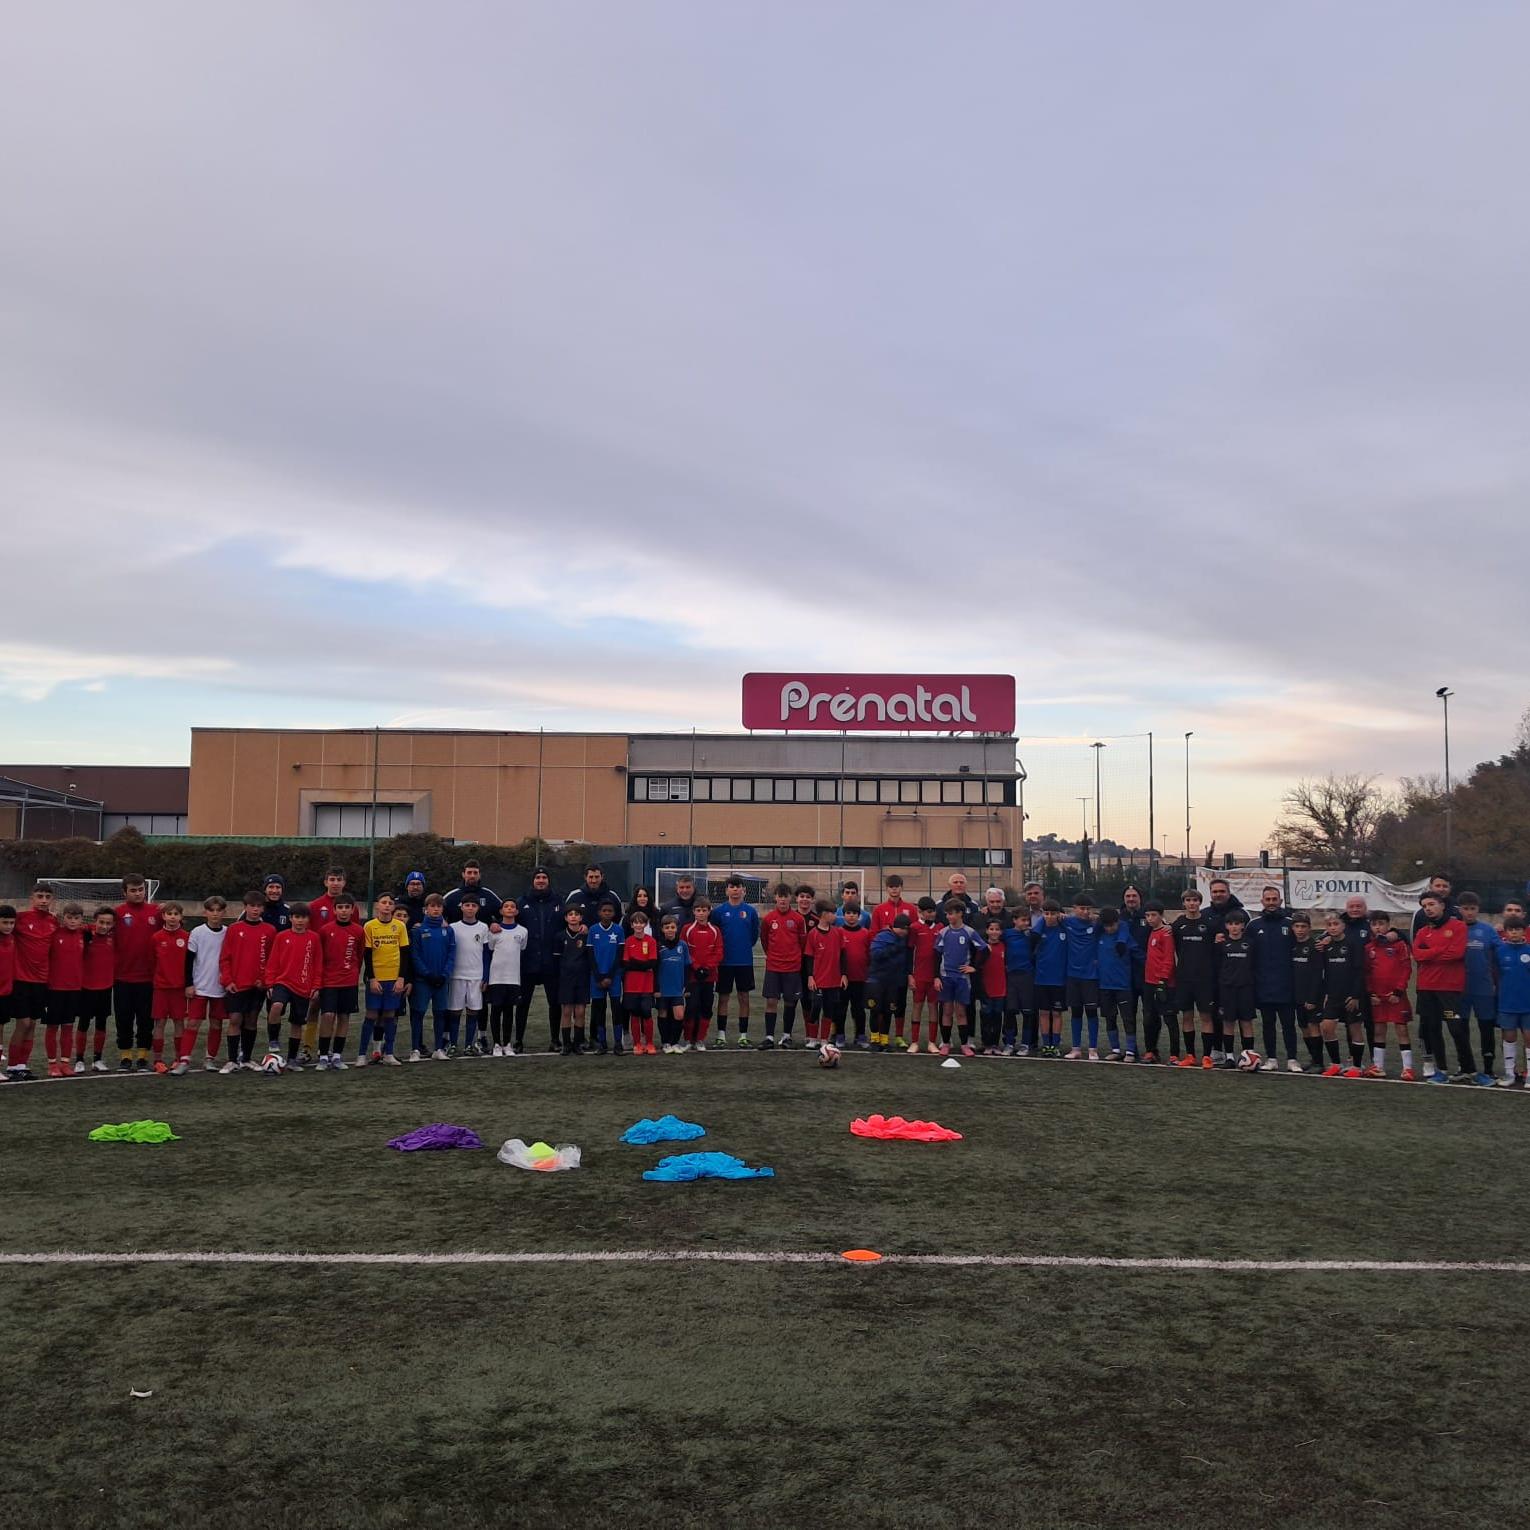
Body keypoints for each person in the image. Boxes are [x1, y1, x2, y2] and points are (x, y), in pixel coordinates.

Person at [1413, 892, 1481, 1084]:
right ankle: (1441, 1070)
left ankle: (1470, 1070)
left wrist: (1430, 953)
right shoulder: (1422, 932)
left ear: (1442, 905)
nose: (1428, 908)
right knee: (1432, 1029)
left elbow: (1457, 953)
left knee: (1456, 1028)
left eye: (1432, 904)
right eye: (1424, 905)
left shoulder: (1458, 926)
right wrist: (1441, 951)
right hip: (1426, 989)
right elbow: (1417, 955)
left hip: (1449, 990)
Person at [218, 893, 277, 1072]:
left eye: (259, 906)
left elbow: (272, 960)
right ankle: (232, 1060)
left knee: (251, 1021)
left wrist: (266, 981)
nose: (255, 909)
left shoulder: (269, 930)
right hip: (237, 984)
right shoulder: (234, 929)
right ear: (245, 907)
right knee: (235, 1019)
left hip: (257, 986)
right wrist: (227, 980)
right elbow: (225, 958)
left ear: (263, 908)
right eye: (252, 906)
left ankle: (247, 1059)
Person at [109, 875, 160, 1079]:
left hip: (148, 978)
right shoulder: (118, 913)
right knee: (123, 1019)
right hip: (122, 977)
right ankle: (125, 1057)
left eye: (140, 889)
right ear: (124, 892)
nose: (138, 893)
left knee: (146, 1021)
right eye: (133, 890)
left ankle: (142, 1057)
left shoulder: (156, 912)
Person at [263, 903, 320, 1071]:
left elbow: (318, 964)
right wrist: (270, 983)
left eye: (303, 917)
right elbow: (272, 962)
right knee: (276, 1006)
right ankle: (273, 1040)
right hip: (283, 982)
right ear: (291, 919)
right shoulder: (281, 937)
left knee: (297, 1024)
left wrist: (316, 986)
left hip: (303, 986)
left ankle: (292, 1059)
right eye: (296, 917)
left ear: (308, 919)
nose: (300, 921)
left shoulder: (314, 938)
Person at [7, 887, 57, 1081]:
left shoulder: (53, 921)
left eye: (47, 897)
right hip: (21, 980)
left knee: (32, 1024)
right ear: (32, 898)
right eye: (40, 896)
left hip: (41, 981)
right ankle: (11, 1066)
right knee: (23, 1023)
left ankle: (22, 1065)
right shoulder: (21, 918)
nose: (43, 900)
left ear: (52, 899)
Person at [1248, 886, 1299, 1072]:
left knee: (1288, 1025)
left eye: (1274, 899)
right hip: (1263, 985)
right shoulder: (1253, 926)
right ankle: (1271, 1059)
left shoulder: (1290, 924)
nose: (1271, 902)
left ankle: (1292, 1059)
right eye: (1267, 899)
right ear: (1262, 902)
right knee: (1268, 1025)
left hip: (1286, 985)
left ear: (1280, 901)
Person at [319, 894, 371, 1067]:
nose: (343, 911)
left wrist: (354, 971)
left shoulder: (358, 931)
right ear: (334, 910)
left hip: (349, 981)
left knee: (344, 1017)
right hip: (329, 982)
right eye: (340, 907)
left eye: (347, 907)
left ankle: (337, 1055)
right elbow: (320, 957)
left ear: (352, 909)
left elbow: (359, 954)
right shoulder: (325, 930)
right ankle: (323, 1056)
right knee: (327, 1016)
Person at [514, 868, 562, 1052]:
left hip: (551, 962)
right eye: (537, 877)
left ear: (548, 880)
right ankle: (518, 1040)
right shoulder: (522, 902)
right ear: (532, 880)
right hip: (528, 962)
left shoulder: (559, 901)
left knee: (555, 1002)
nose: (541, 880)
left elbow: (568, 924)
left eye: (544, 877)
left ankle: (555, 1039)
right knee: (522, 1003)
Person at [361, 894, 411, 1070]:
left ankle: (388, 1053)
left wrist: (401, 978)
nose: (387, 906)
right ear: (377, 906)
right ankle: (362, 1055)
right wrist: (372, 978)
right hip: (376, 979)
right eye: (383, 902)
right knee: (372, 1015)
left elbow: (404, 954)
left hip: (394, 978)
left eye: (390, 903)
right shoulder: (369, 926)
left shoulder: (399, 926)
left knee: (390, 1015)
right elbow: (367, 955)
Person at [1364, 912, 1416, 1080]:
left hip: (1396, 996)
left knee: (1401, 1029)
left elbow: (1406, 968)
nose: (1378, 927)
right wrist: (1371, 993)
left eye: (1381, 923)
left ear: (1388, 925)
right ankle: (1378, 1066)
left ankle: (1407, 1068)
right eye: (1374, 924)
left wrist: (1398, 991)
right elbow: (1366, 973)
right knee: (1378, 1030)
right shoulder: (1368, 947)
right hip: (1377, 997)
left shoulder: (1399, 945)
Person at [1316, 911, 1367, 1077]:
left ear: (1343, 926)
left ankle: (1357, 1067)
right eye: (1329, 925)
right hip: (1333, 995)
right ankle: (1336, 1064)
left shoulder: (1353, 944)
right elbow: (1324, 972)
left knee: (1355, 1029)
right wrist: (1325, 995)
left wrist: (1355, 995)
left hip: (1350, 995)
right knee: (1327, 1027)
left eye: (1336, 924)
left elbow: (1359, 972)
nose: (1333, 927)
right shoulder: (1326, 946)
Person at [1172, 890, 1217, 1070]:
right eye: (1188, 900)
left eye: (1195, 900)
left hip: (1205, 979)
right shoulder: (1178, 925)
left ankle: (1207, 1056)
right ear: (1183, 903)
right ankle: (1190, 1055)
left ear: (1200, 902)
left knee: (1206, 1017)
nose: (1192, 903)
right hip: (1184, 978)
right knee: (1187, 1016)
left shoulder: (1209, 924)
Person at [713, 876, 760, 1048]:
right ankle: (721, 1035)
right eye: (731, 887)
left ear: (744, 890)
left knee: (744, 998)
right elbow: (715, 934)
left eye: (738, 887)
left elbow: (754, 936)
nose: (735, 890)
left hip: (744, 962)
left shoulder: (751, 911)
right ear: (726, 890)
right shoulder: (718, 912)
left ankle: (743, 1035)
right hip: (724, 963)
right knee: (723, 998)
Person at [934, 900, 985, 1057]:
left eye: (951, 913)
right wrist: (936, 977)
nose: (949, 916)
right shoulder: (943, 932)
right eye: (947, 914)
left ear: (960, 913)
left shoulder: (969, 932)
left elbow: (984, 949)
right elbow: (936, 955)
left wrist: (974, 967)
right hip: (946, 977)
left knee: (961, 1012)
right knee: (947, 1011)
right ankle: (946, 1043)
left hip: (962, 978)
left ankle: (964, 1044)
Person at [1460, 894, 1502, 1085]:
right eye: (1465, 908)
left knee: (1486, 1029)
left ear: (1478, 909)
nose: (1469, 912)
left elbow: (1501, 953)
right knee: (1459, 1028)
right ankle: (1465, 1067)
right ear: (1459, 909)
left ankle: (1488, 1069)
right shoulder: (1453, 930)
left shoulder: (1488, 931)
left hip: (1483, 989)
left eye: (1473, 908)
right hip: (1459, 990)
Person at [759, 883, 808, 1049]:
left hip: (792, 967)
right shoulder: (768, 919)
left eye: (785, 896)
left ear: (790, 898)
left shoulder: (798, 919)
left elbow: (802, 943)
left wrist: (794, 958)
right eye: (780, 896)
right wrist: (773, 956)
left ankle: (787, 1036)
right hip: (773, 966)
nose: (782, 900)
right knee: (771, 1001)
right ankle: (769, 1037)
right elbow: (765, 941)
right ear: (775, 898)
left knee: (790, 1002)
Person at [441, 893, 490, 1056]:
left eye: (473, 905)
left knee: (473, 1010)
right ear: (461, 907)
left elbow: (485, 954)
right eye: (467, 905)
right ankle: (453, 1044)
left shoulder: (483, 927)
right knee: (454, 1011)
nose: (470, 908)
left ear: (478, 908)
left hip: (476, 976)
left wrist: (486, 976)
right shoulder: (453, 927)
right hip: (456, 976)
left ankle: (469, 1044)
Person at [409, 894, 455, 1061]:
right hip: (423, 981)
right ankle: (415, 1049)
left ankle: (438, 1048)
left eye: (439, 906)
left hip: (441, 980)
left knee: (440, 1013)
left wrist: (444, 974)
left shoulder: (448, 930)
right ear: (426, 909)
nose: (436, 909)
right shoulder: (418, 930)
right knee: (418, 1013)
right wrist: (426, 974)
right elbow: (415, 955)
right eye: (432, 906)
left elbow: (452, 954)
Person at [184, 897, 226, 1074]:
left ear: (224, 912)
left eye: (218, 910)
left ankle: (210, 1059)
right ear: (205, 912)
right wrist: (189, 984)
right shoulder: (197, 932)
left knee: (216, 1024)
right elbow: (188, 961)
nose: (215, 914)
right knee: (193, 1023)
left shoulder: (228, 932)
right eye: (211, 910)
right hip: (199, 986)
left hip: (220, 987)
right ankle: (184, 1059)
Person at [44, 902, 87, 1078]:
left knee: (68, 1027)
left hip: (75, 989)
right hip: (54, 988)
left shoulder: (84, 934)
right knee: (52, 1027)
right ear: (63, 918)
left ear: (81, 920)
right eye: (69, 918)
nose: (72, 921)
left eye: (76, 918)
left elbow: (100, 927)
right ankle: (52, 1064)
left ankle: (65, 1063)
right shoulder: (54, 933)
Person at [74, 906, 116, 1074]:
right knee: (83, 1024)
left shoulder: (114, 937)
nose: (104, 926)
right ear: (94, 921)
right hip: (86, 987)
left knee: (101, 1024)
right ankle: (79, 1060)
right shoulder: (85, 934)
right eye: (101, 922)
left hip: (105, 987)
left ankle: (97, 1059)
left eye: (108, 923)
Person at [1061, 896, 1102, 1061]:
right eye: (1081, 908)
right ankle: (1076, 1048)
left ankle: (1093, 1049)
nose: (1085, 912)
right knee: (1076, 1012)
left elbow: (1114, 921)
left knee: (1092, 1012)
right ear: (1074, 908)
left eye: (1088, 909)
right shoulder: (1067, 922)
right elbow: (1048, 916)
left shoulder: (1096, 924)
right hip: (1072, 976)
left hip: (1091, 976)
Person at [485, 897, 527, 1056]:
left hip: (513, 978)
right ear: (501, 911)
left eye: (512, 907)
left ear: (516, 911)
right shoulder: (493, 931)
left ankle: (507, 1044)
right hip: (496, 978)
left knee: (509, 1011)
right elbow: (489, 951)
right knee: (496, 1011)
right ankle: (496, 1044)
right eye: (506, 906)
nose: (509, 909)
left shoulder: (522, 931)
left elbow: (522, 949)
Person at [681, 897, 723, 1052]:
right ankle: (688, 1039)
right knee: (691, 1007)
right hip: (692, 977)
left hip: (709, 977)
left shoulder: (715, 930)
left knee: (706, 1008)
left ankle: (700, 1039)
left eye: (704, 910)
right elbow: (684, 951)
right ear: (693, 912)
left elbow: (718, 952)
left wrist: (707, 969)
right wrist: (696, 968)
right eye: (698, 910)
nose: (701, 913)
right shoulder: (687, 929)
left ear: (709, 911)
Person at [1493, 917, 1530, 1087]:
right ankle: (1509, 1074)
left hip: (1528, 1004)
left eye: (1517, 929)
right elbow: (1494, 974)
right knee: (1508, 1037)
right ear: (1506, 932)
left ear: (1524, 931)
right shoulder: (1500, 951)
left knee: (1528, 1037)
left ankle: (1529, 1074)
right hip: (1507, 1003)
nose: (1514, 932)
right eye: (1510, 929)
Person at [866, 913, 912, 1053]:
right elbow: (875, 954)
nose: (905, 932)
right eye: (902, 929)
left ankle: (884, 1040)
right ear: (895, 927)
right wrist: (893, 949)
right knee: (875, 1010)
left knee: (889, 1011)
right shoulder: (883, 937)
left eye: (906, 929)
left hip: (893, 981)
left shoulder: (903, 939)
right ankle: (874, 1040)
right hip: (877, 980)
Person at [1096, 906, 1136, 1062]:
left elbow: (1139, 954)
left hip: (1123, 986)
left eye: (1112, 925)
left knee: (1128, 1019)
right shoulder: (1099, 937)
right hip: (1105, 986)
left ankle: (1131, 1051)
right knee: (1110, 1018)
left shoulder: (1125, 938)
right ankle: (1115, 1049)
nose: (1109, 928)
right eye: (1106, 925)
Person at [805, 902, 847, 1051]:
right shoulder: (813, 934)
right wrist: (810, 976)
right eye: (832, 913)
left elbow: (843, 955)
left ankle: (824, 1039)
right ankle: (812, 1038)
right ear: (823, 915)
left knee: (829, 1009)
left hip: (834, 980)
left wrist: (843, 975)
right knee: (816, 1007)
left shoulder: (838, 932)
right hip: (819, 980)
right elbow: (809, 957)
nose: (835, 916)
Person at [1216, 910, 1256, 1065]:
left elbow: (1254, 965)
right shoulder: (1222, 944)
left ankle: (1248, 1055)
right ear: (1226, 926)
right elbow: (1218, 966)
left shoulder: (1250, 943)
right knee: (1228, 1022)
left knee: (1246, 1022)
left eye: (1237, 924)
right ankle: (1230, 1056)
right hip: (1227, 989)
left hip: (1245, 988)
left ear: (1243, 926)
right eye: (1231, 924)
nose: (1234, 927)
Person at [552, 906, 592, 1055]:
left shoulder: (586, 936)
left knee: (580, 1011)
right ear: (566, 918)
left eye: (576, 914)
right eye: (570, 914)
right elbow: (556, 959)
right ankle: (566, 1044)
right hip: (566, 979)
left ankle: (578, 1043)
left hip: (582, 978)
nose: (573, 917)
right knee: (567, 1011)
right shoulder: (560, 936)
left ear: (581, 918)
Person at [780, 885, 818, 1040]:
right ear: (796, 898)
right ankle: (786, 1035)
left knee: (809, 1002)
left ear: (812, 900)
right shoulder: (790, 918)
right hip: (792, 966)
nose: (805, 899)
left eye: (808, 897)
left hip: (812, 969)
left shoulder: (816, 920)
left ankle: (810, 1036)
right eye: (802, 896)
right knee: (790, 1001)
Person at [1142, 902, 1178, 1065]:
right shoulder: (1151, 931)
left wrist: (1163, 980)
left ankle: (1174, 1054)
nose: (1150, 918)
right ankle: (1151, 1051)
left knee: (1169, 1019)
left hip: (1164, 983)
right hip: (1148, 983)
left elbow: (1169, 959)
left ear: (1161, 915)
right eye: (1148, 915)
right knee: (1149, 1019)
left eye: (1153, 915)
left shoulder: (1166, 933)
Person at [587, 900, 625, 1055]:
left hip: (614, 977)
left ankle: (618, 1043)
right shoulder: (593, 930)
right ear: (599, 913)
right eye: (604, 911)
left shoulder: (618, 930)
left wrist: (609, 976)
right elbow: (590, 955)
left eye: (610, 911)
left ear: (614, 913)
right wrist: (598, 976)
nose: (607, 913)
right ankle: (602, 1043)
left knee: (617, 1010)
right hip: (596, 978)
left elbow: (619, 955)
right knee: (599, 1010)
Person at [1290, 914, 1325, 1071]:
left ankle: (1319, 1062)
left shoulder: (1315, 946)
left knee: (1313, 1026)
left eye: (1303, 927)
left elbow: (1318, 974)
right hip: (1297, 995)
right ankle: (1313, 1059)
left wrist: (1312, 998)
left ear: (1309, 928)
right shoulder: (1291, 946)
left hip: (1312, 996)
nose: (1300, 930)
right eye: (1297, 926)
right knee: (1304, 1027)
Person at [619, 910, 657, 1055]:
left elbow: (652, 963)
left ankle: (650, 1043)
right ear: (632, 924)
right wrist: (643, 965)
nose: (639, 925)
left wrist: (637, 963)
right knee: (634, 1014)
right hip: (631, 986)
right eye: (636, 922)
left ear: (645, 924)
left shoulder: (651, 941)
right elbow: (626, 963)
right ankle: (637, 1044)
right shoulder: (628, 941)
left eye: (641, 922)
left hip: (647, 986)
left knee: (647, 1013)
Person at [1002, 904, 1038, 1055]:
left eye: (1028, 920)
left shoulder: (1031, 936)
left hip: (1027, 977)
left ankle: (1025, 1044)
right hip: (1010, 977)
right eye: (1023, 920)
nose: (1026, 923)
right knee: (1010, 1011)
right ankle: (1009, 1043)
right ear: (1014, 920)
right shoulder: (1006, 934)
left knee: (1028, 1012)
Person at [906, 897, 941, 1053]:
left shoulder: (940, 928)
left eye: (933, 911)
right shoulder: (914, 928)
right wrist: (910, 975)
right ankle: (914, 1042)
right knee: (917, 1007)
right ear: (920, 912)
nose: (931, 914)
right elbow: (909, 952)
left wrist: (938, 976)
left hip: (934, 976)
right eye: (928, 911)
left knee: (934, 1007)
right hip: (919, 976)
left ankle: (932, 1042)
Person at [1034, 901, 1068, 1057]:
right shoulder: (1039, 929)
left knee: (1056, 1013)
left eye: (1053, 913)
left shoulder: (1064, 928)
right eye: (1046, 913)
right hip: (1041, 978)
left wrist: (1066, 918)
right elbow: (1032, 938)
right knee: (1044, 1012)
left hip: (1059, 980)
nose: (1049, 917)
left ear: (1059, 914)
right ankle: (1046, 1044)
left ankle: (1055, 1044)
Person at [655, 914, 691, 1053]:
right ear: (662, 929)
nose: (670, 930)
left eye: (672, 927)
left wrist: (686, 985)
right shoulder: (659, 946)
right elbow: (655, 968)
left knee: (679, 1015)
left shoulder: (682, 945)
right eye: (667, 927)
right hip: (663, 988)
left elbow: (687, 966)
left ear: (677, 928)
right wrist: (656, 987)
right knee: (663, 1013)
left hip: (677, 988)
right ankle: (665, 1043)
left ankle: (675, 1042)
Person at [839, 905, 873, 1049]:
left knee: (859, 1009)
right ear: (844, 915)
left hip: (860, 978)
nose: (851, 916)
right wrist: (841, 974)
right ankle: (839, 1035)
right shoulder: (838, 932)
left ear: (859, 916)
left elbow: (870, 954)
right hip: (842, 979)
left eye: (854, 913)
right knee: (841, 1008)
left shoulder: (866, 933)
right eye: (848, 913)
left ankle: (860, 1036)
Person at [977, 916, 1007, 1054]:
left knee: (997, 1016)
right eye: (991, 929)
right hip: (986, 989)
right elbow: (977, 965)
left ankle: (995, 1044)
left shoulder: (1004, 946)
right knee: (986, 1016)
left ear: (1001, 932)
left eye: (997, 929)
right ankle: (986, 1043)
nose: (994, 932)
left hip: (1000, 989)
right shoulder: (983, 947)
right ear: (987, 931)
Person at [444, 861, 503, 925]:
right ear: (463, 875)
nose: (472, 876)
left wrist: (496, 924)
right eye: (469, 873)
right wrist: (442, 922)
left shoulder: (488, 895)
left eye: (475, 873)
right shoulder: (452, 896)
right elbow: (436, 914)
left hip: (483, 934)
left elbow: (505, 914)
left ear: (479, 875)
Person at [1411, 874, 1461, 938]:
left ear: (1450, 888)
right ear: (1431, 887)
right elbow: (1415, 940)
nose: (1441, 889)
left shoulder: (1458, 911)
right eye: (1438, 886)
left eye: (1445, 886)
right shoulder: (1420, 914)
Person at [0, 907, 14, 1079]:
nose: (9, 926)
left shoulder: (12, 938)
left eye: (11, 923)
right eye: (5, 922)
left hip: (5, 992)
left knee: (1, 1028)